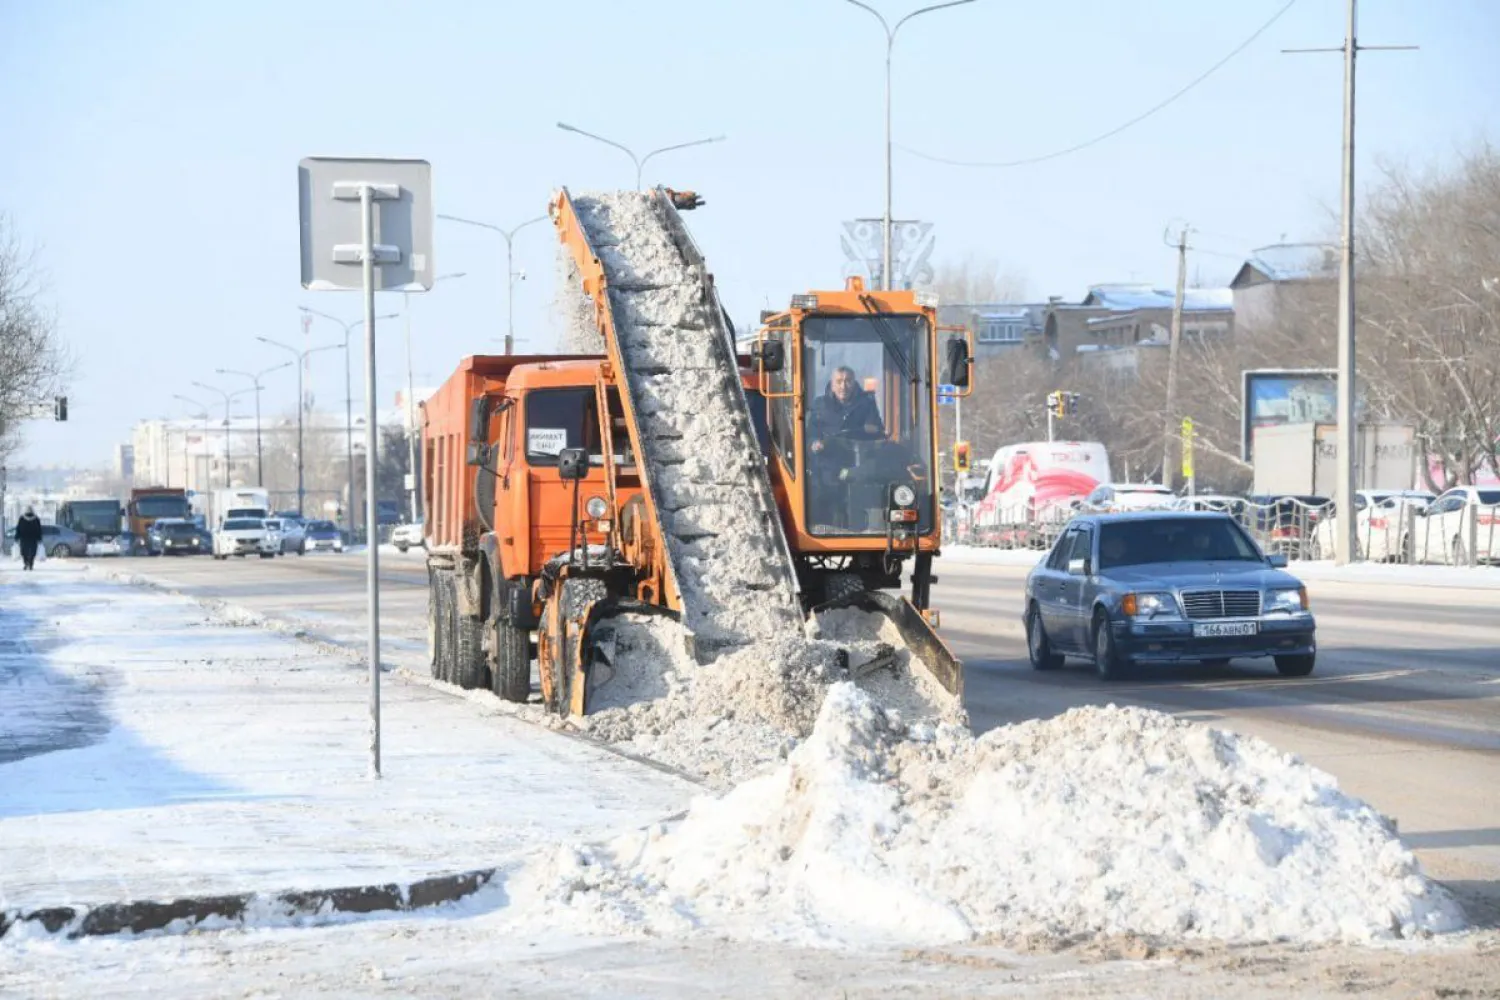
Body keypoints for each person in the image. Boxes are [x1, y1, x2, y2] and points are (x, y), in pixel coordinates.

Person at [806, 367, 885, 528]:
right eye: (839, 381)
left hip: (857, 464)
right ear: (832, 384)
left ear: (854, 383)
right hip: (826, 469)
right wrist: (814, 444)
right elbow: (809, 434)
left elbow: (876, 429)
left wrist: (872, 430)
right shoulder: (819, 405)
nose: (844, 386)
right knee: (823, 501)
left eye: (848, 381)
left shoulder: (866, 403)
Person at [15, 506, 43, 571]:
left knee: (24, 551)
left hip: (24, 538)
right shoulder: (36, 519)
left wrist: (17, 537)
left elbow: (18, 528)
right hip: (33, 538)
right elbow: (39, 529)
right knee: (33, 551)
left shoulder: (22, 518)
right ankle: (31, 564)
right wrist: (39, 538)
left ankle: (26, 563)